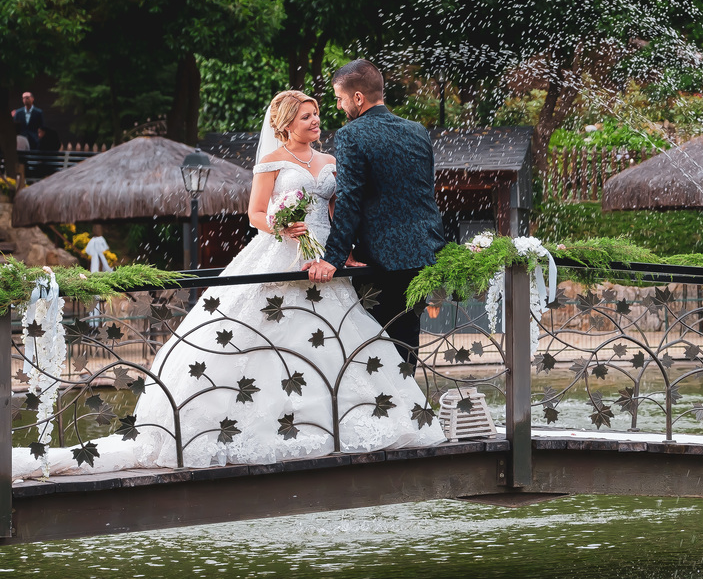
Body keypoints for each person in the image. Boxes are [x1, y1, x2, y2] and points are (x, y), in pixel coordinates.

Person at [12, 89, 443, 478]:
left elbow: (339, 211)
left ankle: (342, 417)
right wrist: (281, 226)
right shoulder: (272, 163)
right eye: (307, 116)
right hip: (282, 251)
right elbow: (256, 214)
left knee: (339, 335)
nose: (316, 122)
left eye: (317, 115)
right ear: (286, 124)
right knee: (263, 332)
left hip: (325, 261)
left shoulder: (330, 162)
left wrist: (341, 253)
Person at [306, 59, 447, 371]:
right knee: (406, 342)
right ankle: (409, 413)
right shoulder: (417, 131)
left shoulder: (351, 135)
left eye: (340, 99)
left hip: (380, 261)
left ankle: (390, 412)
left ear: (358, 98)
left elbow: (349, 199)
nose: (340, 106)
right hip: (424, 253)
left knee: (374, 349)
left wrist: (333, 257)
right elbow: (423, 191)